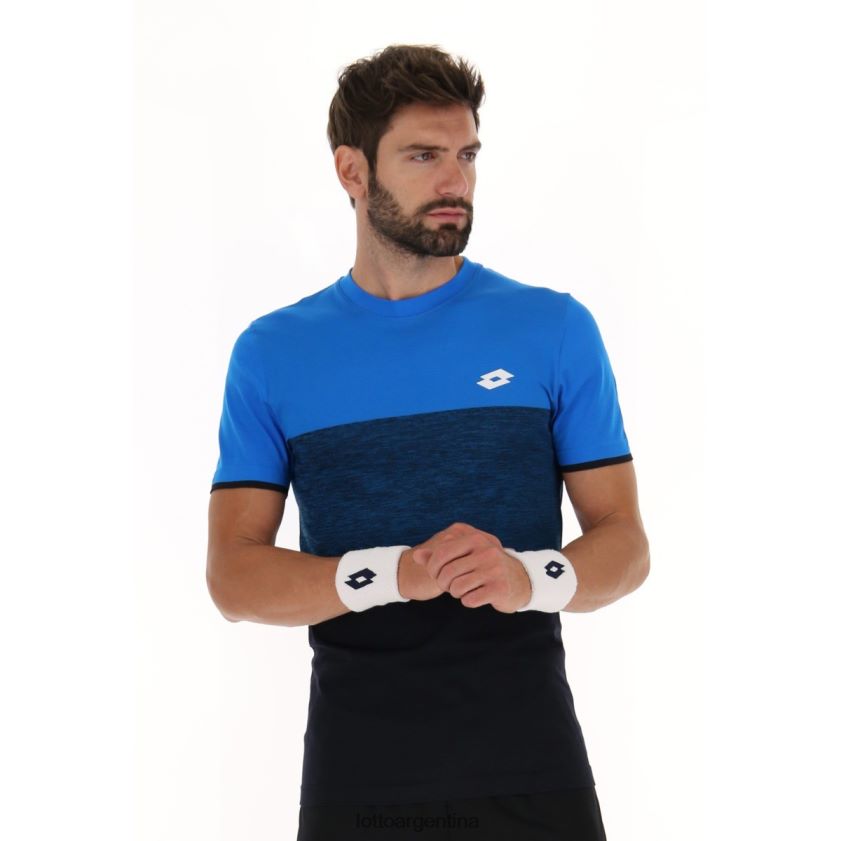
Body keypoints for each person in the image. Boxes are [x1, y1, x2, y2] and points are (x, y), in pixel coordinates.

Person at [207, 43, 650, 841]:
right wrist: (394, 573)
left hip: (532, 768)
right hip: (358, 776)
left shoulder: (552, 328)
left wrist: (528, 576)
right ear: (352, 170)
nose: (455, 182)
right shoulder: (274, 352)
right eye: (423, 156)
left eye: (466, 155)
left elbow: (625, 545)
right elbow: (233, 578)